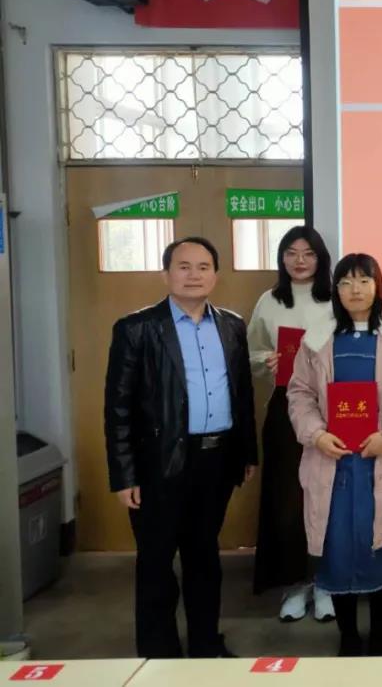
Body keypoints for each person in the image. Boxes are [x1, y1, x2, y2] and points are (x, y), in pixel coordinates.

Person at [104, 237, 257, 658]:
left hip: (216, 460)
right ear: (166, 274)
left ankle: (206, 643)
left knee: (204, 556)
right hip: (159, 463)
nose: (194, 275)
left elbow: (242, 393)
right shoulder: (136, 329)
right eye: (184, 266)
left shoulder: (232, 325)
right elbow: (117, 407)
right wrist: (124, 474)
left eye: (203, 267)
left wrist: (247, 452)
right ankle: (159, 653)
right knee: (156, 561)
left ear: (216, 275)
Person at [288, 253, 382, 656]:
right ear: (336, 289)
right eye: (346, 282)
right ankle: (347, 635)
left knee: (376, 548)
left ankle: (379, 635)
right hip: (331, 464)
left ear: (378, 287)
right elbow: (300, 395)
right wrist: (316, 435)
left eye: (364, 280)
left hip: (378, 464)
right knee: (335, 553)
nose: (355, 290)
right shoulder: (317, 340)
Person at [248, 226, 335, 622]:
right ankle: (294, 585)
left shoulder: (335, 299)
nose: (300, 261)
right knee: (287, 501)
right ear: (281, 258)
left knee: (328, 499)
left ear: (321, 258)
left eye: (308, 253)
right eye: (291, 252)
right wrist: (265, 360)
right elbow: (251, 351)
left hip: (333, 410)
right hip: (285, 409)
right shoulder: (269, 301)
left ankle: (326, 582)